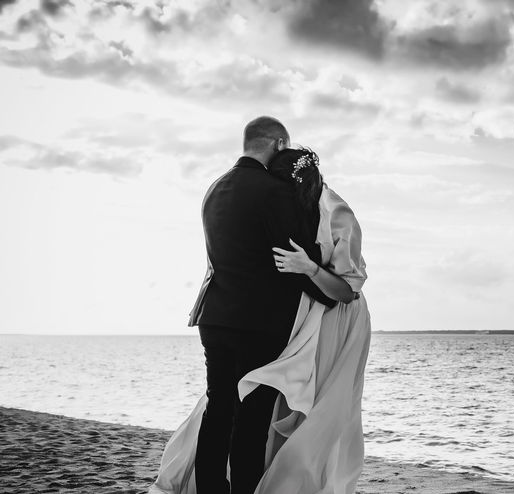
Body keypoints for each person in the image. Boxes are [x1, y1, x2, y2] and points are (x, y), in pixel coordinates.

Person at [151, 145, 371, 494]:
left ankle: (304, 479)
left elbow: (346, 291)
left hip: (337, 317)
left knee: (319, 406)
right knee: (258, 403)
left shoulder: (335, 211)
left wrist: (309, 267)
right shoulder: (280, 207)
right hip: (300, 316)